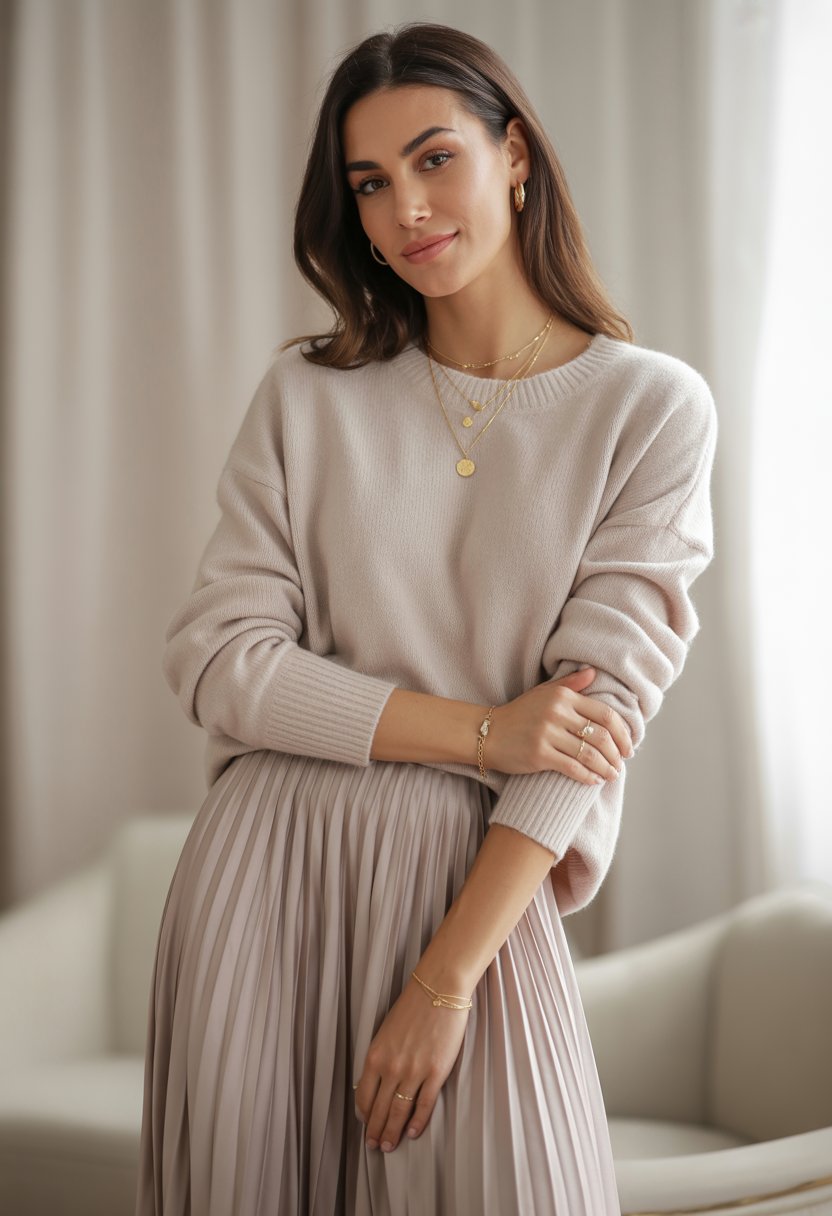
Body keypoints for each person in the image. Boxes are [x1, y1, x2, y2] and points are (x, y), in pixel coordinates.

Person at [135, 19, 717, 1216]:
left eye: (433, 158)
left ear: (514, 155)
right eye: (368, 182)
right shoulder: (308, 395)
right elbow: (219, 659)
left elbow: (591, 720)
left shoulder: (649, 407)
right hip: (264, 871)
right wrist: (484, 731)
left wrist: (447, 980)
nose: (405, 206)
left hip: (477, 890)